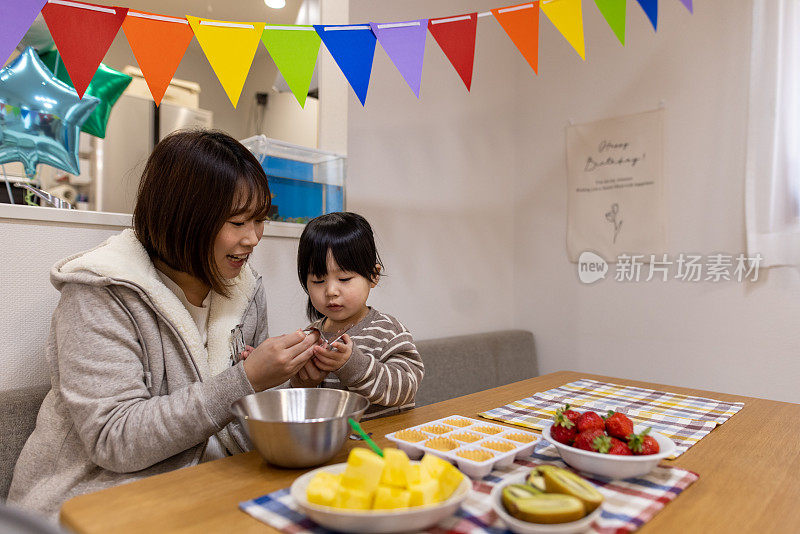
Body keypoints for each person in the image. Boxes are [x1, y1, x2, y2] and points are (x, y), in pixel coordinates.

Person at [7, 130, 319, 519]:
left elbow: (239, 429)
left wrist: (295, 382)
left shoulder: (244, 288)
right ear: (184, 219)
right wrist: (246, 379)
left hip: (204, 490)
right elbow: (114, 439)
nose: (254, 238)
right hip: (91, 503)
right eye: (238, 222)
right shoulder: (101, 292)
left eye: (261, 220)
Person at [291, 212, 424, 419]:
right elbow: (300, 408)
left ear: (373, 275)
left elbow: (407, 388)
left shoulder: (388, 331)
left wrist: (352, 366)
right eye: (318, 281)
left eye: (344, 278)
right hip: (335, 447)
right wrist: (300, 382)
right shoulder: (311, 336)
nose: (331, 291)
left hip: (383, 445)